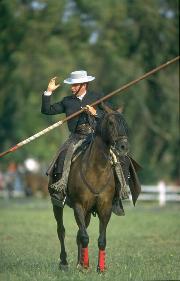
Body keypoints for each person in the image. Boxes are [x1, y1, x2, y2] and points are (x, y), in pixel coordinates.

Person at [41, 70, 137, 215]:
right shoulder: (67, 101)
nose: (72, 88)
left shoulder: (97, 97)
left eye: (75, 85)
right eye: (72, 85)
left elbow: (112, 115)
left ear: (84, 85)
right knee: (63, 155)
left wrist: (96, 113)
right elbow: (47, 110)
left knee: (121, 158)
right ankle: (60, 192)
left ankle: (118, 196)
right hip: (76, 137)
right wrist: (48, 91)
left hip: (96, 136)